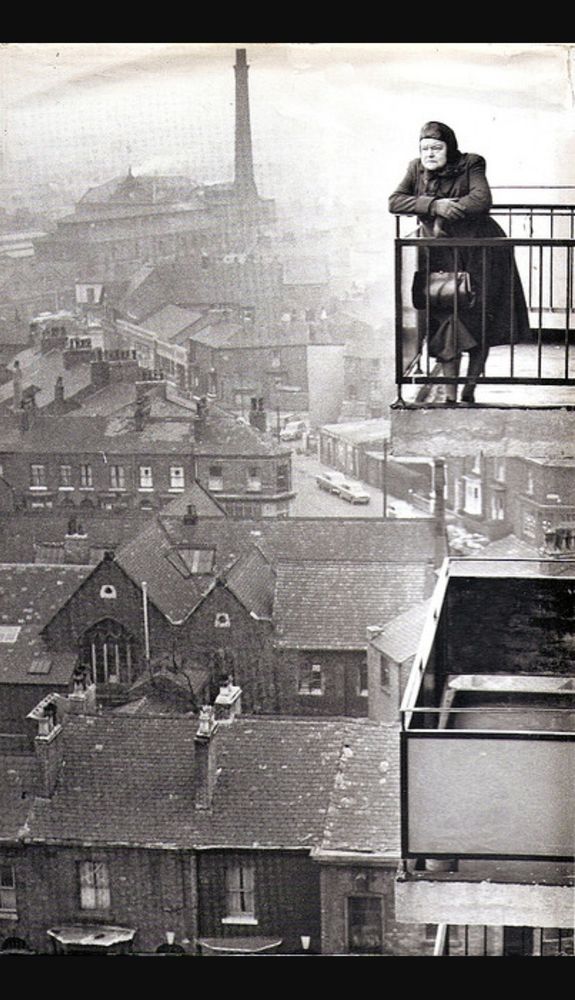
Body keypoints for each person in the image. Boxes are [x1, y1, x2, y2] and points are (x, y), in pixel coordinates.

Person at [389, 121, 530, 403]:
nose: (429, 154)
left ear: (449, 148)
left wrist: (446, 210)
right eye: (425, 148)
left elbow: (481, 199)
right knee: (445, 320)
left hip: (481, 253)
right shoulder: (415, 168)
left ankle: (469, 387)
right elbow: (395, 201)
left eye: (436, 148)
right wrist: (432, 205)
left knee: (480, 318)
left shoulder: (471, 164)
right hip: (441, 256)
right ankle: (451, 394)